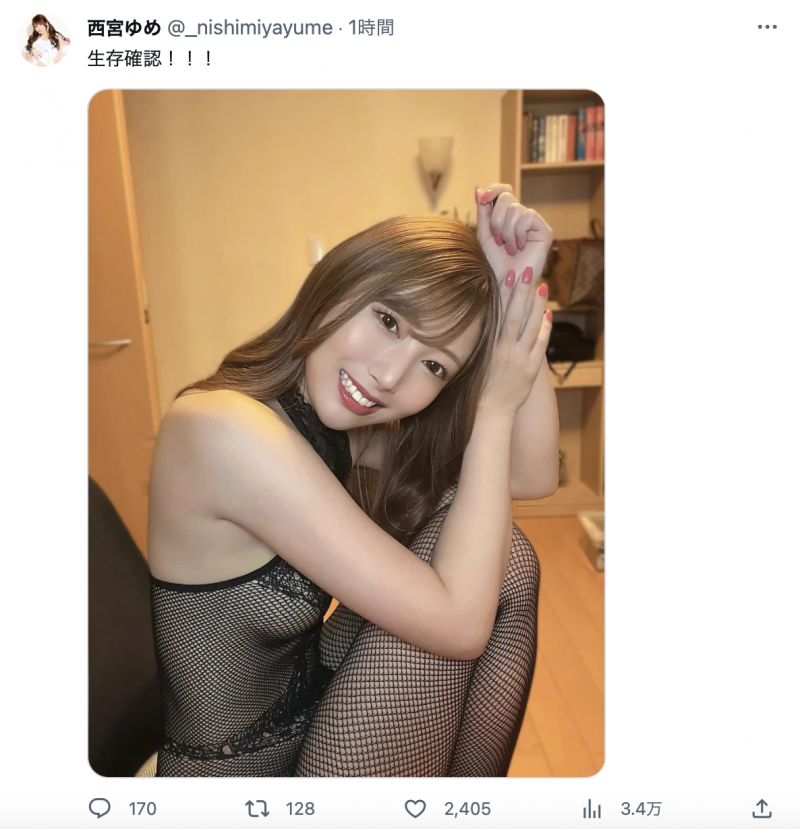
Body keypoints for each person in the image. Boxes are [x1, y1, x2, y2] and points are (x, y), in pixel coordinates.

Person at [147, 183, 558, 776]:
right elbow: (461, 626)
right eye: (388, 320)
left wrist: (512, 292)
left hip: (312, 717)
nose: (390, 375)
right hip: (237, 779)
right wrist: (493, 410)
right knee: (459, 602)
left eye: (434, 364)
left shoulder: (331, 426)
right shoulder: (222, 431)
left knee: (507, 559)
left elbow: (528, 474)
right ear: (340, 282)